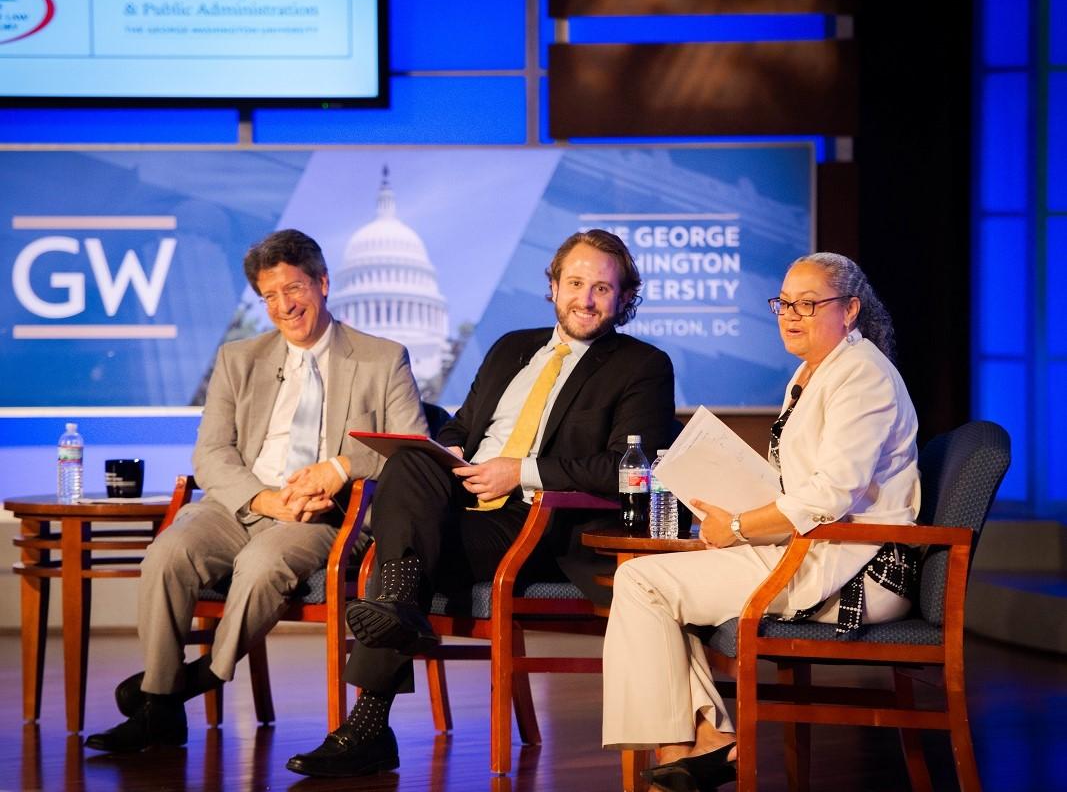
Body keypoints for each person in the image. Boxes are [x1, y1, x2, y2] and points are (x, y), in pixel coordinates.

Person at [286, 228, 677, 778]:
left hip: (537, 518)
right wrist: (444, 456)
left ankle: (369, 725)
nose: (585, 299)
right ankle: (396, 613)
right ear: (554, 286)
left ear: (623, 298)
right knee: (411, 458)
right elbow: (465, 429)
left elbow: (628, 466)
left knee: (401, 561)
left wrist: (518, 471)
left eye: (602, 289)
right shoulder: (511, 346)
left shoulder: (642, 365)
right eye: (575, 283)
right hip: (460, 502)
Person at [86, 229, 427, 753]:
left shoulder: (383, 358)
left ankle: (200, 678)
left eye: (294, 289)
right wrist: (261, 499)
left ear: (323, 283)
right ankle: (160, 704)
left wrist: (338, 467)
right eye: (270, 296)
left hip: (325, 515)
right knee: (167, 554)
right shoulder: (238, 358)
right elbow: (211, 454)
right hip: (242, 502)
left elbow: (412, 447)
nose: (284, 307)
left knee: (263, 565)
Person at [602, 252, 921, 792]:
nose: (791, 315)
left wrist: (742, 527)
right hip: (811, 549)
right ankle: (701, 744)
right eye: (784, 303)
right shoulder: (810, 371)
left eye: (809, 303)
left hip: (860, 570)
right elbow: (801, 484)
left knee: (642, 583)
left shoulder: (864, 375)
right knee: (647, 578)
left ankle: (694, 746)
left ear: (849, 310)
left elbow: (832, 491)